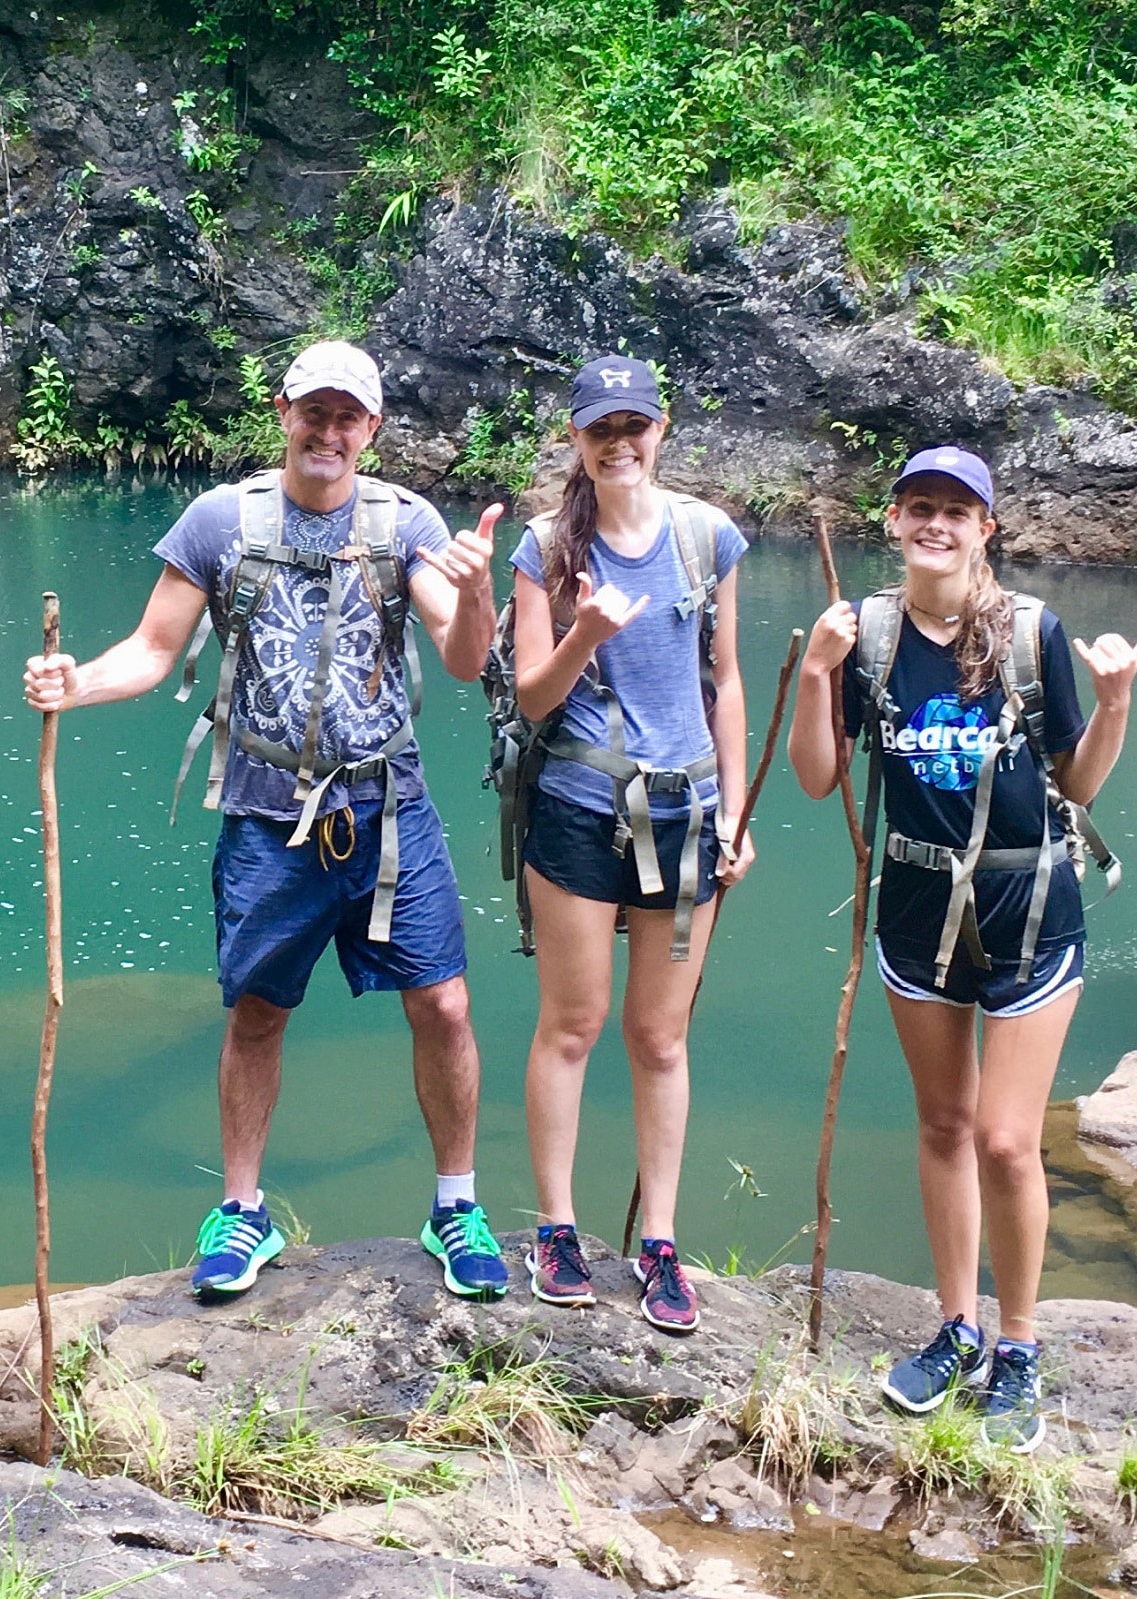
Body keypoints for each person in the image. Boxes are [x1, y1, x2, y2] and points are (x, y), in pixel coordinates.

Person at [20, 341, 512, 1303]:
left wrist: (482, 585)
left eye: (349, 418)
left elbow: (461, 657)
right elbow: (153, 651)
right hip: (263, 808)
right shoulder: (220, 521)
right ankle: (240, 1213)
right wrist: (73, 685)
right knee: (256, 1014)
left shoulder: (404, 522)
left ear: (372, 429)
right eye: (314, 413)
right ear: (283, 410)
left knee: (444, 1003)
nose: (329, 433)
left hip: (387, 807)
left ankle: (455, 1204)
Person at [788, 445, 1137, 1446]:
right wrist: (817, 678)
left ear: (986, 528)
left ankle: (1020, 1345)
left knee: (1004, 1137)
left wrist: (1116, 700)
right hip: (914, 913)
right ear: (895, 520)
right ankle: (955, 1327)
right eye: (920, 509)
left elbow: (1075, 788)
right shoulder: (865, 633)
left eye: (959, 512)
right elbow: (817, 778)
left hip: (1029, 910)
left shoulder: (1030, 633)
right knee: (944, 1125)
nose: (937, 526)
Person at [502, 355, 753, 1334]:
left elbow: (726, 684)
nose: (619, 443)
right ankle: (557, 1230)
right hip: (576, 807)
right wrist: (582, 637)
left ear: (661, 429)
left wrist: (734, 814)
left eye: (634, 425)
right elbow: (531, 694)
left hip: (688, 811)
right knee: (572, 1024)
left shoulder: (707, 539)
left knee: (659, 1035)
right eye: (600, 427)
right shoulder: (544, 550)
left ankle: (659, 1241)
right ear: (576, 438)